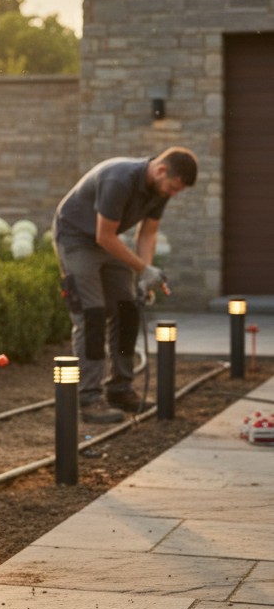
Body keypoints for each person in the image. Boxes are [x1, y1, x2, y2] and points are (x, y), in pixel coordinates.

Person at [51, 147, 198, 423]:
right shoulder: (118, 179)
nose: (173, 194)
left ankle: (120, 388)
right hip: (76, 238)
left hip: (109, 240)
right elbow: (104, 235)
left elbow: (148, 233)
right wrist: (143, 268)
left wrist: (145, 275)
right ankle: (89, 397)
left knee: (127, 310)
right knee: (91, 314)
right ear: (161, 170)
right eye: (173, 187)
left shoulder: (160, 189)